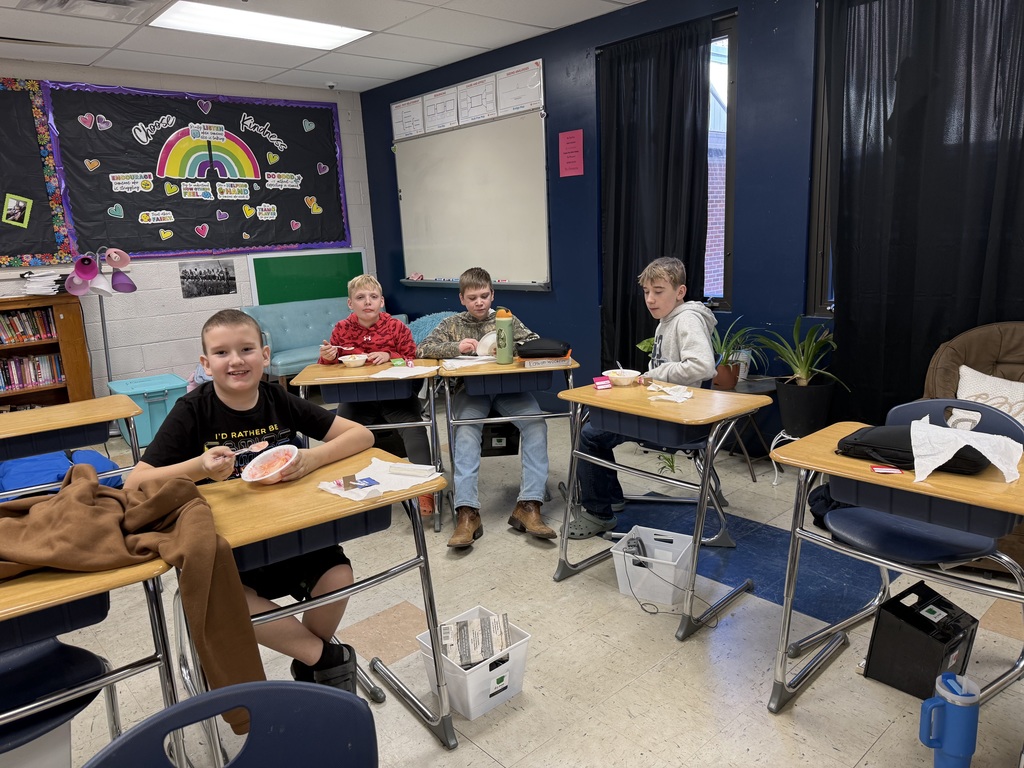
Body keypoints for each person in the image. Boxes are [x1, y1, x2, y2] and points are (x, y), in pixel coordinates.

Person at [125, 309, 375, 692]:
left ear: (265, 355)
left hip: (292, 529)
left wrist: (310, 459)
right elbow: (135, 483)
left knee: (339, 576)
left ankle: (310, 668)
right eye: (222, 353)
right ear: (206, 364)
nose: (236, 360)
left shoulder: (279, 399)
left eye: (246, 349)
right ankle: (324, 659)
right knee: (225, 599)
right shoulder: (193, 411)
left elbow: (361, 435)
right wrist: (198, 466)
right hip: (233, 547)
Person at [570, 256, 717, 539]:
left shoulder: (686, 320)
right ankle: (609, 498)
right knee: (593, 426)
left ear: (680, 292)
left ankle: (599, 512)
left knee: (590, 434)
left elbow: (703, 366)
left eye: (658, 291)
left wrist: (655, 375)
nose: (650, 299)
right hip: (663, 407)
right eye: (647, 292)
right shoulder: (666, 320)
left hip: (676, 419)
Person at [417, 266, 556, 548]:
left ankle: (529, 506)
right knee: (466, 432)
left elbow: (533, 342)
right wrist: (456, 347)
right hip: (472, 390)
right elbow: (422, 348)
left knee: (536, 425)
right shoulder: (453, 324)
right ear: (462, 299)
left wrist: (512, 349)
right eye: (472, 298)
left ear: (492, 294)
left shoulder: (506, 318)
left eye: (484, 296)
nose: (479, 302)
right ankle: (467, 513)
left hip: (509, 389)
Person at [317, 274, 435, 516]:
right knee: (339, 431)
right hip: (358, 399)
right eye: (360, 298)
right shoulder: (341, 329)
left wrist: (391, 356)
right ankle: (347, 484)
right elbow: (329, 363)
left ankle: (425, 489)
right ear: (351, 303)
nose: (367, 302)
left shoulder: (396, 327)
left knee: (414, 429)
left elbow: (413, 358)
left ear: (381, 301)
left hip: (397, 397)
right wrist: (327, 358)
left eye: (373, 297)